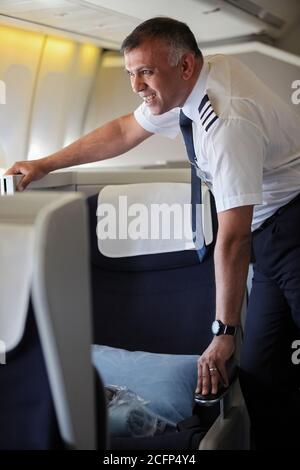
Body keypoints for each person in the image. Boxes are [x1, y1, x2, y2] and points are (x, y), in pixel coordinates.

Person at [5, 17, 300, 448]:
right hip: (270, 234)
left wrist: (221, 334)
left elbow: (233, 238)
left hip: (292, 228)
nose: (137, 85)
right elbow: (124, 130)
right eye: (130, 73)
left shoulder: (228, 121)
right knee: (261, 371)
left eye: (146, 72)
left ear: (184, 67)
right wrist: (44, 163)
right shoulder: (188, 88)